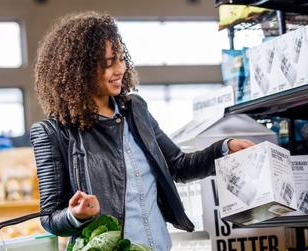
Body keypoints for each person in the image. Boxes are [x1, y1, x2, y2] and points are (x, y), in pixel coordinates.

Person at [30, 11, 254, 250]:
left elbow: (179, 166)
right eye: (108, 63)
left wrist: (223, 148)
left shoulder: (135, 110)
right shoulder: (54, 132)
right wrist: (76, 215)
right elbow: (50, 217)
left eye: (120, 59)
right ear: (81, 70)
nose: (120, 69)